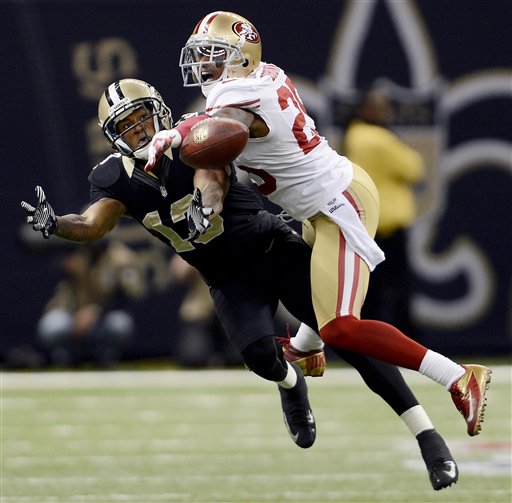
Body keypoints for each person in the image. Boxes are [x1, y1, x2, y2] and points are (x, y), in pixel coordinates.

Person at [22, 78, 458, 490]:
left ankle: (428, 437)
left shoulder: (195, 139)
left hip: (272, 249)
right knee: (258, 357)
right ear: (112, 134)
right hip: (228, 279)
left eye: (140, 117)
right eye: (125, 124)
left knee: (348, 337)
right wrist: (56, 224)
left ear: (158, 110)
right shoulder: (112, 177)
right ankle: (292, 384)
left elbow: (210, 180)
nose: (137, 129)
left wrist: (205, 209)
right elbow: (92, 224)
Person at [145, 11, 491, 443]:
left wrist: (178, 133)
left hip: (338, 203)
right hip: (323, 202)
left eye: (215, 55)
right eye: (201, 55)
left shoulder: (240, 93)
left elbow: (226, 124)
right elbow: (223, 130)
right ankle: (306, 351)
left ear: (243, 59)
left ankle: (458, 376)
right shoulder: (259, 78)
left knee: (341, 326)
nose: (204, 66)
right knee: (315, 294)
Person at [343, 85, 425, 334]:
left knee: (371, 291)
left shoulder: (355, 136)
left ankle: (367, 342)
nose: (386, 112)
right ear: (366, 109)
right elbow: (414, 168)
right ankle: (408, 343)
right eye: (380, 107)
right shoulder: (376, 139)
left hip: (370, 223)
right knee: (395, 290)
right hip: (386, 227)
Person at [36, 239, 141, 367]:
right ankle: (66, 356)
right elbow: (62, 291)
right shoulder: (76, 252)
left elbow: (130, 296)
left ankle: (106, 355)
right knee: (52, 325)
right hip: (73, 315)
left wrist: (97, 311)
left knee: (120, 324)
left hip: (104, 319)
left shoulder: (121, 258)